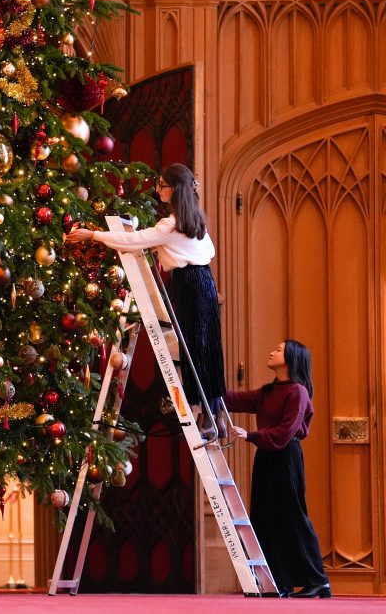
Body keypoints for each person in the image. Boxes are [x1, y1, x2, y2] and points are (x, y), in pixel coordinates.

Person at [66, 162, 227, 439]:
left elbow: (135, 240)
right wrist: (165, 248)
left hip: (189, 285)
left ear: (174, 190)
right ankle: (214, 416)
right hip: (204, 282)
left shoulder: (170, 224)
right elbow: (205, 250)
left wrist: (93, 234)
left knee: (193, 349)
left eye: (161, 185)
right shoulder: (194, 223)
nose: (157, 190)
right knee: (205, 347)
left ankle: (207, 419)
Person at [226, 340, 330, 598]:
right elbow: (235, 399)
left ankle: (319, 581)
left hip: (286, 458)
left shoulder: (298, 391)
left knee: (292, 518)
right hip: (267, 457)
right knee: (264, 517)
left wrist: (251, 435)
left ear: (292, 358)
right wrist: (206, 386)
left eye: (279, 349)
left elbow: (285, 433)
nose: (272, 351)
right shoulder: (268, 391)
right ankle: (277, 582)